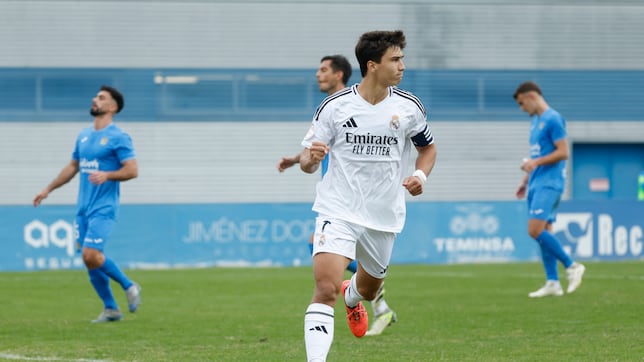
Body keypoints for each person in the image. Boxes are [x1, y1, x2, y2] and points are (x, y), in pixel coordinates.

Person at [299, 31, 437, 361]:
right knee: (325, 289)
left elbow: (428, 148)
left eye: (402, 58)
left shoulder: (409, 107)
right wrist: (311, 158)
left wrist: (419, 175)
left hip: (384, 215)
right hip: (339, 208)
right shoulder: (334, 107)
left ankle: (353, 296)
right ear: (372, 66)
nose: (403, 65)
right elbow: (305, 160)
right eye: (396, 59)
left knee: (368, 289)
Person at [277, 55, 397, 337]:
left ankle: (374, 296)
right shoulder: (329, 108)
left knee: (350, 264)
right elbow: (318, 147)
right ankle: (371, 297)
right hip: (338, 203)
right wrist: (297, 160)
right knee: (319, 253)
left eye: (323, 70)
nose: (318, 75)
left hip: (365, 202)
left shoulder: (355, 104)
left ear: (339, 74)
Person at [33, 85, 142, 322]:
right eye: (95, 96)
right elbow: (73, 166)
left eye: (101, 98)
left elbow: (132, 170)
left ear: (112, 107)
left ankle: (129, 285)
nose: (95, 100)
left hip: (103, 207)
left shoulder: (119, 137)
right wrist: (48, 189)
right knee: (88, 258)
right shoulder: (83, 135)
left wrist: (108, 175)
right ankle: (111, 308)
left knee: (91, 254)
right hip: (83, 208)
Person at [513, 81, 586, 298]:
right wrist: (526, 180)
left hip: (550, 183)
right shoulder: (536, 122)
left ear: (532, 96)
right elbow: (537, 156)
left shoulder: (553, 119)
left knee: (534, 230)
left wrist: (535, 165)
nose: (521, 108)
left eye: (521, 103)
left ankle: (572, 265)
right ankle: (553, 282)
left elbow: (563, 152)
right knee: (545, 231)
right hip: (536, 182)